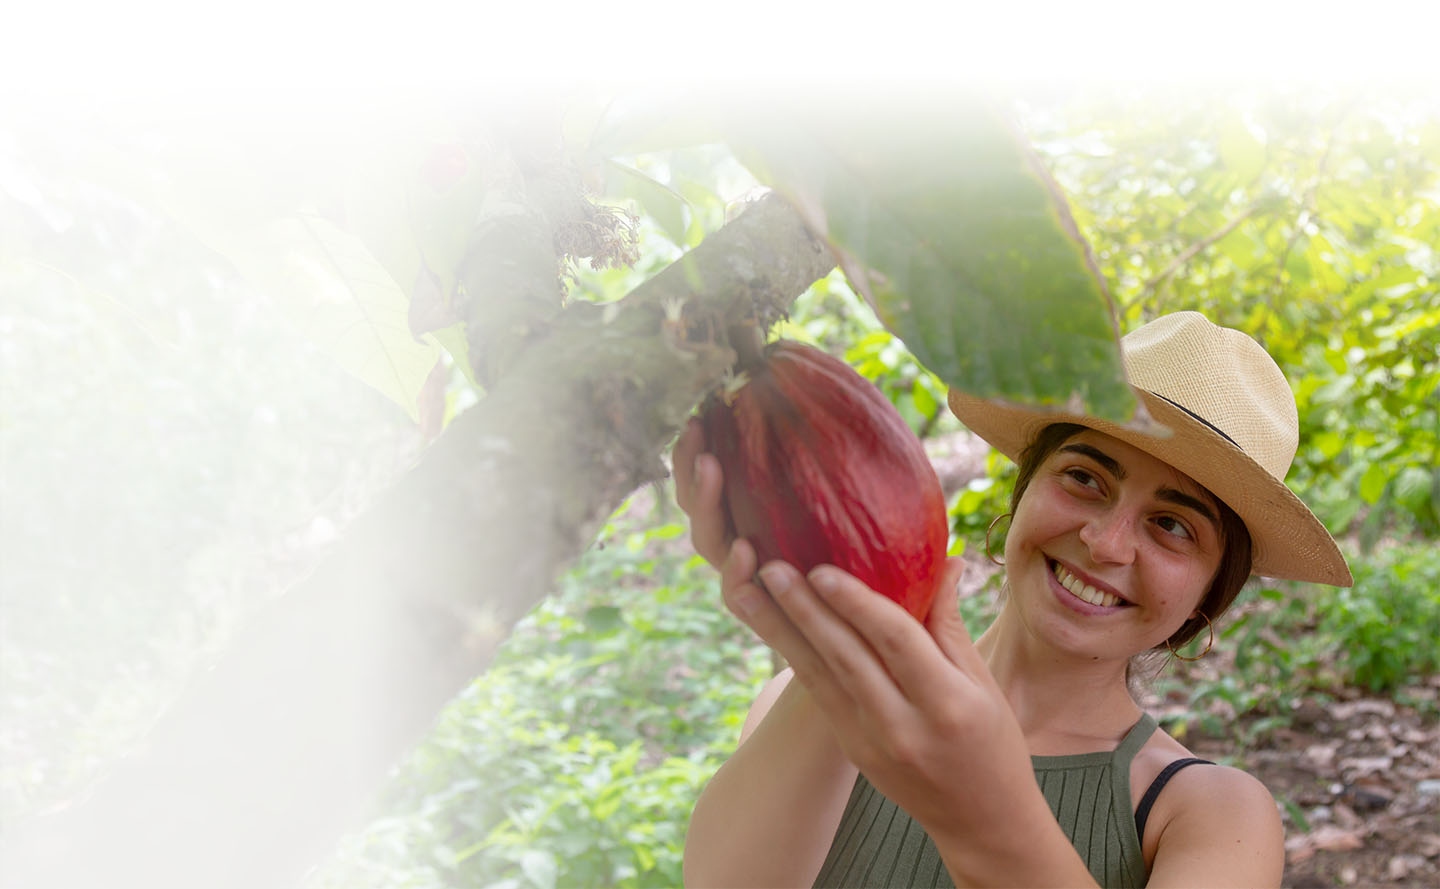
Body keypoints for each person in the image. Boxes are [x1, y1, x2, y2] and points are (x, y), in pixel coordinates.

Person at [672, 311, 1352, 888]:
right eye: (1085, 476)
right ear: (1020, 493)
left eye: (1172, 525)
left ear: (1209, 597)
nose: (1105, 540)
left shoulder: (1210, 813)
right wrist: (834, 643)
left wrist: (985, 807)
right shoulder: (802, 696)